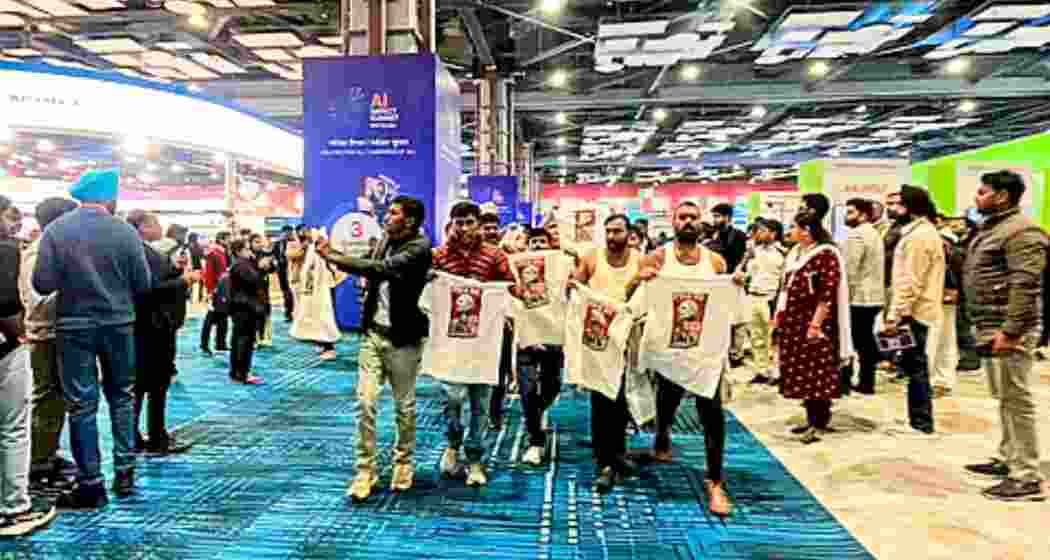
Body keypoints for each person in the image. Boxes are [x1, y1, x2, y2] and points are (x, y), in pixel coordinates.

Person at [32, 169, 152, 508]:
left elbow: (43, 284)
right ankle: (125, 473)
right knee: (122, 396)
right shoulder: (126, 232)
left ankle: (91, 483)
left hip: (73, 327)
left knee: (82, 405)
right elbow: (142, 285)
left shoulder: (57, 230)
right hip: (119, 325)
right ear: (110, 199)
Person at [317, 196, 432, 502]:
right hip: (372, 335)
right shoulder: (384, 239)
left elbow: (381, 269)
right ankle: (365, 469)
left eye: (394, 213)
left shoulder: (419, 247)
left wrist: (334, 256)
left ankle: (404, 463)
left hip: (403, 339)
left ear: (409, 220)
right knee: (365, 402)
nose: (387, 216)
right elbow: (371, 266)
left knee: (404, 407)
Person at [630, 201, 731, 515]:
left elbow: (724, 300)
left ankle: (715, 481)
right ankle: (662, 435)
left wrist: (737, 286)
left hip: (705, 353)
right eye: (682, 217)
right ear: (672, 222)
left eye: (693, 217)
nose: (688, 222)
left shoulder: (715, 262)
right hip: (669, 350)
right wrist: (640, 279)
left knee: (713, 414)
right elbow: (630, 295)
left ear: (700, 223)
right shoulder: (657, 258)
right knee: (667, 402)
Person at [962, 170, 1048, 502]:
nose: (976, 198)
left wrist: (1011, 331)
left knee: (1017, 399)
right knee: (1005, 398)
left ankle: (1027, 476)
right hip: (990, 327)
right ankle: (1009, 456)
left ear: (1002, 196)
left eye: (982, 192)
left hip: (1010, 330)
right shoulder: (995, 228)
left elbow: (1026, 286)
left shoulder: (1022, 232)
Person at [431, 201, 513, 488]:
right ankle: (453, 444)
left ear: (479, 224)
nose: (464, 228)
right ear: (451, 225)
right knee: (452, 397)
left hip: (485, 343)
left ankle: (476, 459)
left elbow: (509, 288)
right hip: (451, 341)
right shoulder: (439, 256)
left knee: (481, 402)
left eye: (469, 223)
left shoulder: (495, 255)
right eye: (459, 223)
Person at [0, 195, 57, 535]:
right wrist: (20, 336)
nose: (14, 225)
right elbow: (5, 302)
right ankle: (14, 508)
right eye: (9, 216)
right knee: (12, 428)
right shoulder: (6, 250)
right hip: (5, 349)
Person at [570, 213, 640, 493]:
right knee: (601, 401)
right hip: (598, 340)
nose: (612, 237)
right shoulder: (592, 258)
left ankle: (619, 453)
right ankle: (604, 462)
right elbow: (575, 288)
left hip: (627, 337)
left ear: (629, 233)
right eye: (608, 232)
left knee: (622, 400)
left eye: (618, 232)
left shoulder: (640, 260)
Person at [126, 210, 198, 455]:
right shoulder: (140, 252)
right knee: (155, 384)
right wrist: (184, 281)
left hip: (144, 328)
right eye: (155, 222)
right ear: (142, 227)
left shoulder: (140, 250)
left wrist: (176, 273)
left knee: (143, 385)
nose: (160, 227)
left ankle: (139, 436)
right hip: (153, 329)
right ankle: (157, 438)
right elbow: (150, 288)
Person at [774, 211, 848, 444]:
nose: (790, 231)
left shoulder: (826, 254)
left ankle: (819, 422)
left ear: (806, 230)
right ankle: (810, 418)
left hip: (815, 323)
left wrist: (816, 324)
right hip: (795, 323)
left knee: (818, 372)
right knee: (802, 372)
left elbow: (827, 292)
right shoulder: (796, 253)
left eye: (794, 227)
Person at [20, 198, 78, 493]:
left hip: (60, 334)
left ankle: (47, 454)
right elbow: (36, 302)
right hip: (45, 336)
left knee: (57, 400)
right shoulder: (38, 252)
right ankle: (37, 465)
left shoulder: (53, 248)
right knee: (46, 399)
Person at [880, 185, 944, 436]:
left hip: (913, 311)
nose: (893, 209)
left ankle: (921, 422)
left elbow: (911, 281)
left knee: (916, 366)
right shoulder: (917, 232)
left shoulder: (919, 236)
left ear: (910, 207)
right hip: (913, 309)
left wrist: (896, 314)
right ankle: (917, 419)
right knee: (911, 364)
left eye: (898, 204)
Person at [517, 227, 566, 466]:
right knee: (526, 391)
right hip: (525, 340)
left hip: (554, 338)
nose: (537, 246)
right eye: (533, 242)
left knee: (553, 386)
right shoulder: (516, 268)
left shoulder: (562, 267)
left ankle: (536, 413)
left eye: (542, 241)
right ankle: (535, 440)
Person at [734, 218, 786, 385]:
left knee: (774, 339)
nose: (757, 234)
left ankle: (777, 372)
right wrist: (745, 258)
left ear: (773, 233)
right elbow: (742, 273)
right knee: (756, 337)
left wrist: (779, 303)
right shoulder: (753, 251)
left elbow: (784, 282)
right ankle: (761, 371)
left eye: (762, 231)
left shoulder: (783, 253)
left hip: (770, 299)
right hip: (753, 296)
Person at [844, 198, 885, 395]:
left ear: (864, 215)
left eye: (851, 212)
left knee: (857, 341)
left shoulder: (857, 235)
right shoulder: (873, 233)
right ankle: (867, 381)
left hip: (859, 297)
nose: (847, 216)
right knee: (865, 341)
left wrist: (842, 297)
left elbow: (850, 270)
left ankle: (860, 381)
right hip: (873, 296)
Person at [227, 239, 266, 386]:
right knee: (244, 341)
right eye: (246, 249)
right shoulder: (242, 265)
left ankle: (237, 372)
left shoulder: (239, 264)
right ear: (239, 251)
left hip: (241, 307)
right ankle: (242, 373)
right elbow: (255, 281)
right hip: (245, 307)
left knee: (239, 340)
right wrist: (260, 268)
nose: (249, 251)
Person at [200, 231, 231, 355]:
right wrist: (211, 291)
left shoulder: (220, 253)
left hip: (221, 289)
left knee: (222, 317)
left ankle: (220, 343)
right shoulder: (215, 254)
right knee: (211, 317)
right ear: (222, 239)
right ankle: (204, 344)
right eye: (228, 238)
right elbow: (209, 274)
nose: (230, 241)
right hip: (216, 290)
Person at [273, 225, 296, 322]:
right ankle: (288, 313)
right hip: (281, 271)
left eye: (289, 233)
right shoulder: (277, 243)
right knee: (285, 292)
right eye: (285, 232)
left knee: (292, 292)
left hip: (292, 271)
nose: (287, 235)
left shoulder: (295, 243)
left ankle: (292, 313)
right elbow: (274, 255)